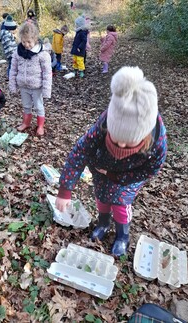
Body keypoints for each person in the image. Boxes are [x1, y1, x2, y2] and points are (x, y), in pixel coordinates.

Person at [55, 66, 167, 257]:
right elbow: (80, 151)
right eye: (116, 138)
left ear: (145, 136)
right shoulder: (105, 123)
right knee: (102, 197)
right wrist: (65, 189)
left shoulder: (157, 143)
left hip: (128, 177)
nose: (121, 144)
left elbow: (150, 170)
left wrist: (116, 176)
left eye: (129, 141)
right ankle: (103, 224)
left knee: (121, 204)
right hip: (100, 168)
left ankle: (122, 236)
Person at [9, 22, 52, 136]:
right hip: (23, 86)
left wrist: (46, 90)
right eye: (23, 42)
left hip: (36, 87)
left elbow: (47, 73)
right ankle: (26, 122)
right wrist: (12, 85)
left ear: (36, 39)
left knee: (39, 106)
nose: (26, 45)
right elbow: (13, 70)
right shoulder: (18, 53)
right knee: (26, 105)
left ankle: (40, 125)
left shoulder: (42, 54)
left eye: (29, 42)